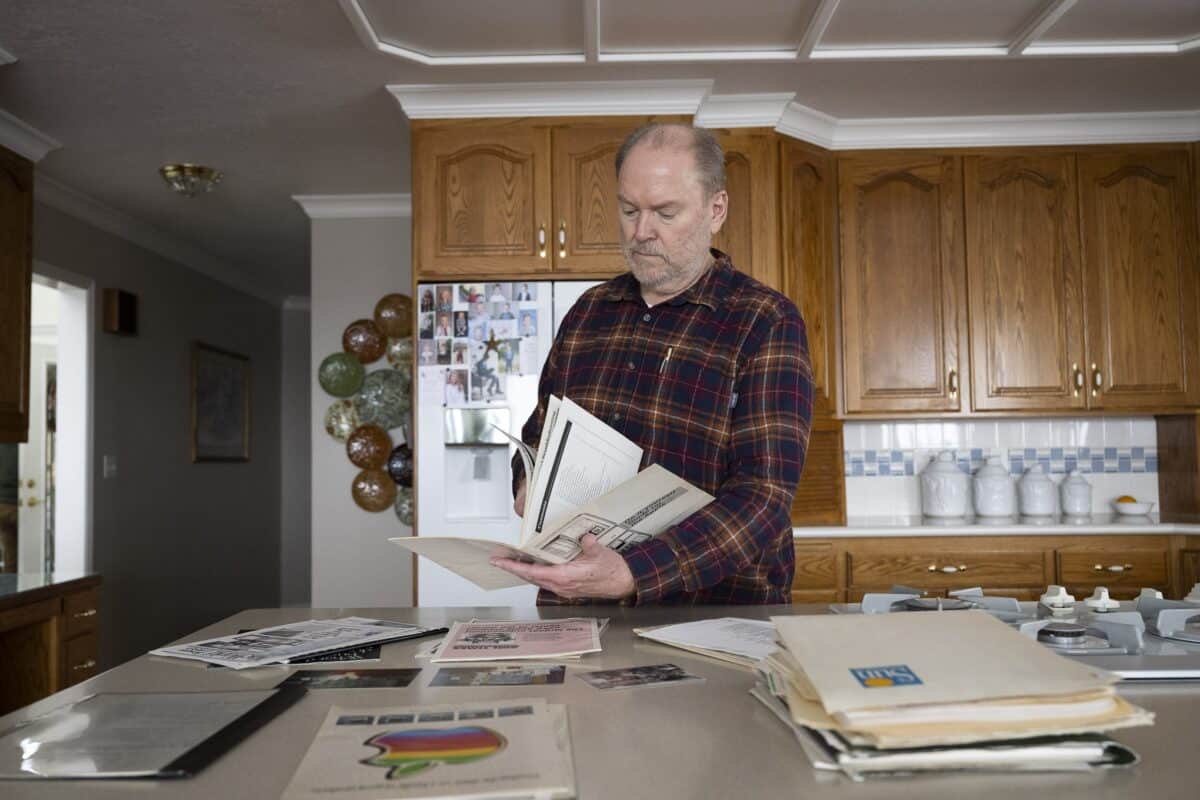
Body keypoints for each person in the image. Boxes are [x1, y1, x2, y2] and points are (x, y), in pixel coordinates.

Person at [492, 123, 812, 605]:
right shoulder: (588, 313)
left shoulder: (764, 320)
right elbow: (540, 432)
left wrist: (633, 572)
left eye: (665, 212)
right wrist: (528, 481)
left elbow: (762, 497)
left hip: (715, 618)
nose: (642, 232)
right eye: (629, 210)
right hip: (579, 607)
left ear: (715, 209)